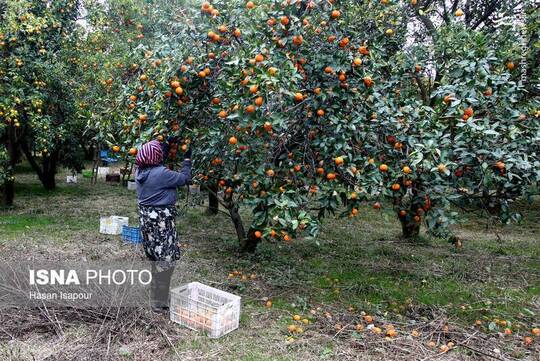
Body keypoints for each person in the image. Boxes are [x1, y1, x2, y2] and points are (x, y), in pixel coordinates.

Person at [135, 140, 191, 313]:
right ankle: (159, 303)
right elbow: (184, 179)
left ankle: (157, 296)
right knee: (166, 261)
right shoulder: (161, 173)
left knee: (155, 259)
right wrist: (187, 161)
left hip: (147, 223)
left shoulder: (139, 172)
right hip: (162, 223)